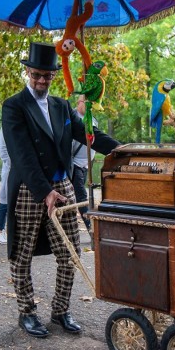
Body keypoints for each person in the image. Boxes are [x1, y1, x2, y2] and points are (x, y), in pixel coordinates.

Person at [2, 42, 119, 338]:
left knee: (70, 254)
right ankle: (27, 313)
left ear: (54, 75)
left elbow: (87, 133)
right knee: (22, 254)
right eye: (37, 75)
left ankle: (60, 310)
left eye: (47, 76)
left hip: (63, 185)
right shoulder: (14, 106)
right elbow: (22, 154)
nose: (42, 81)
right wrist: (44, 192)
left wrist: (122, 149)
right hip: (31, 189)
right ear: (28, 71)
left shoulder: (62, 105)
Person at [70, 95, 96, 242]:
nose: (89, 105)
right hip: (75, 166)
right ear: (79, 103)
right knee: (82, 198)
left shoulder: (92, 118)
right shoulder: (73, 118)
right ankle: (92, 232)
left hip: (85, 165)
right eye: (86, 102)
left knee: (78, 198)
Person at [0, 128, 10, 244]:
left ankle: (11, 231)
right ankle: (0, 231)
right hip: (10, 169)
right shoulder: (5, 127)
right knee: (4, 200)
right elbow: (3, 151)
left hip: (22, 170)